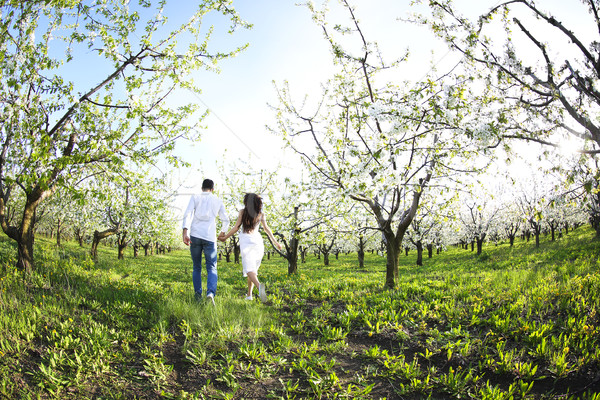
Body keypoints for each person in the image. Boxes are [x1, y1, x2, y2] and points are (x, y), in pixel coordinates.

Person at [218, 193, 282, 302]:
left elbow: (236, 227)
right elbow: (267, 229)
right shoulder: (260, 214)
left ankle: (259, 287)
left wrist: (225, 237)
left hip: (246, 241)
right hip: (257, 241)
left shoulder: (242, 212)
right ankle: (249, 295)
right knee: (252, 270)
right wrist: (275, 242)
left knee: (249, 269)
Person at [182, 179, 229, 305]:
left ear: (202, 187)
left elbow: (187, 214)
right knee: (212, 267)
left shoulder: (195, 197)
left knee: (196, 266)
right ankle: (210, 293)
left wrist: (185, 232)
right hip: (210, 237)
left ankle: (198, 296)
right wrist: (222, 232)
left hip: (195, 235)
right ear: (212, 189)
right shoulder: (217, 200)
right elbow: (226, 220)